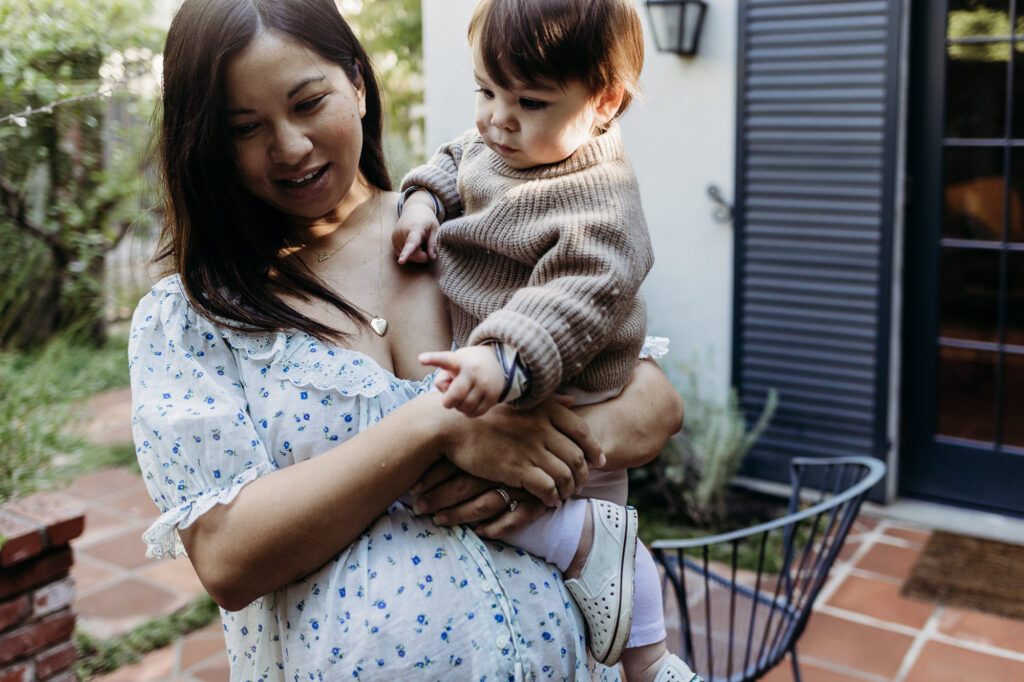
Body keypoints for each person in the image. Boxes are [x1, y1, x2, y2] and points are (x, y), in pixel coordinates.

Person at [129, 0, 686, 680]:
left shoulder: (478, 224)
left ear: (359, 84)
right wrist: (435, 427)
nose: (291, 147)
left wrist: (516, 467)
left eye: (309, 103)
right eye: (245, 128)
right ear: (209, 144)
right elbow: (229, 559)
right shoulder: (191, 318)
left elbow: (652, 404)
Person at [391, 2, 698, 681]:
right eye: (485, 89)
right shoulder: (502, 145)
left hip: (563, 391)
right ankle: (648, 660)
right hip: (518, 383)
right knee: (589, 576)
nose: (497, 117)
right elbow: (453, 162)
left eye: (528, 100)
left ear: (604, 102)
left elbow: (572, 298)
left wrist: (501, 357)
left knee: (560, 524)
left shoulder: (601, 202)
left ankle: (647, 657)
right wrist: (419, 202)